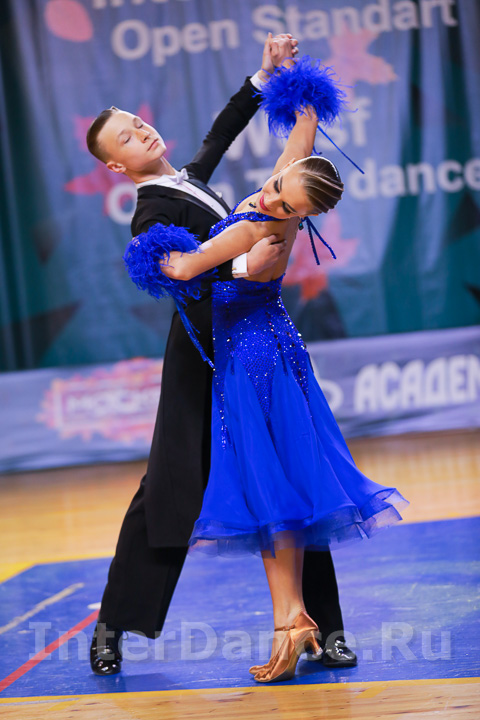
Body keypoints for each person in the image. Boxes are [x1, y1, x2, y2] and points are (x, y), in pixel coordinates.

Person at [86, 36, 357, 676]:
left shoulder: (186, 180)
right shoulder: (150, 209)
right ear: (116, 166)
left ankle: (326, 629)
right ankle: (113, 622)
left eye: (138, 121)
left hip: (252, 343)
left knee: (289, 474)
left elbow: (222, 130)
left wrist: (265, 75)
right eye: (127, 137)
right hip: (201, 352)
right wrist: (242, 264)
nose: (142, 131)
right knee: (170, 488)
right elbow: (176, 272)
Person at [130, 100, 408, 683]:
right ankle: (293, 618)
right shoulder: (280, 192)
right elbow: (299, 147)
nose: (272, 199)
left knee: (268, 490)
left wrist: (149, 248)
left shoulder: (258, 226)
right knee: (274, 489)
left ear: (301, 215)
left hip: (252, 361)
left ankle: (292, 621)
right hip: (273, 351)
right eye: (278, 187)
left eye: (287, 207)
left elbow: (182, 270)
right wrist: (302, 103)